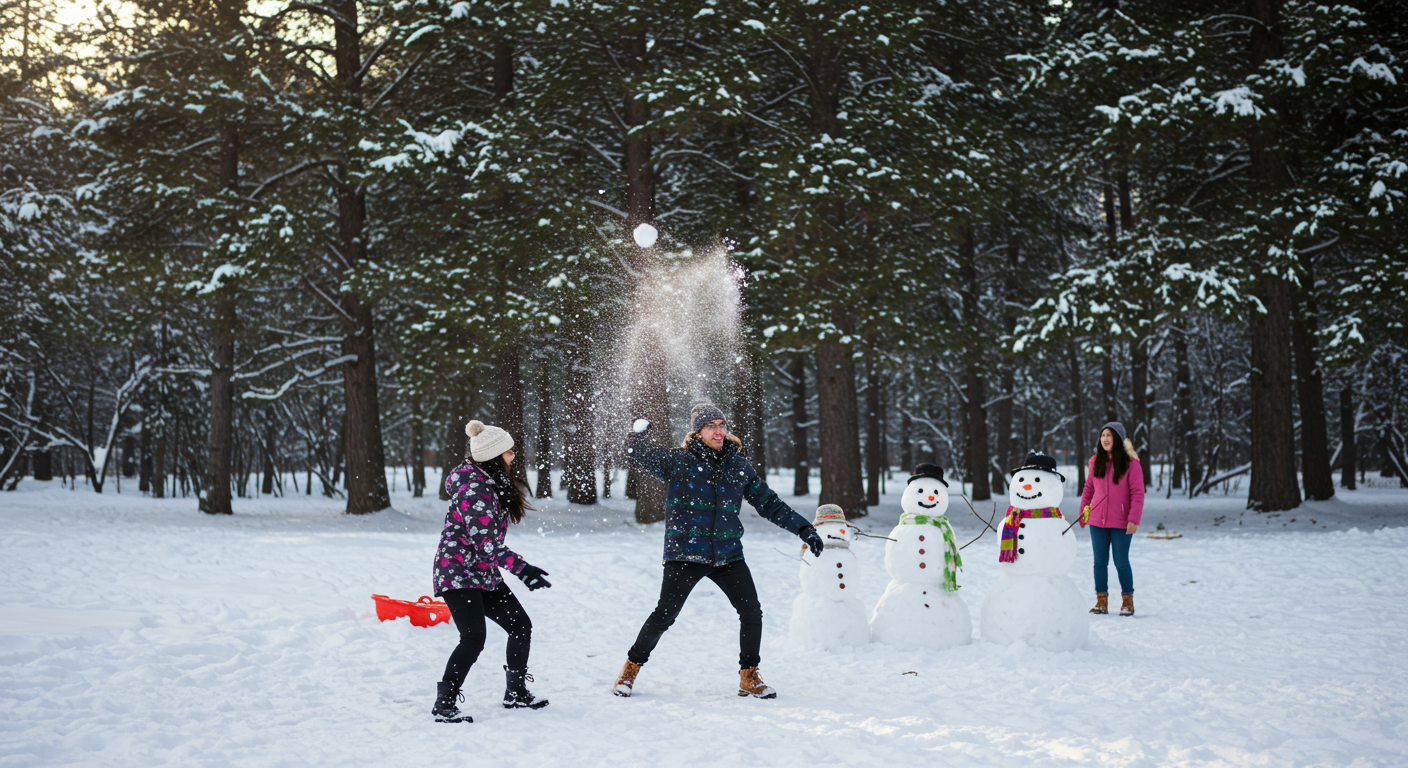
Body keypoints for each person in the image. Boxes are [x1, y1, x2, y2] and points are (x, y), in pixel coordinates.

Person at [611, 403, 825, 699]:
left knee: (751, 612)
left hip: (727, 554)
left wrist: (804, 529)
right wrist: (637, 436)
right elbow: (638, 454)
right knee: (664, 615)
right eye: (711, 425)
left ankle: (749, 676)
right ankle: (630, 670)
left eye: (722, 424)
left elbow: (770, 504)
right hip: (686, 553)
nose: (719, 430)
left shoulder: (738, 466)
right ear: (698, 432)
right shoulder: (679, 462)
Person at [430, 420, 553, 723]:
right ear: (495, 456)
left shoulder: (487, 482)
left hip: (481, 573)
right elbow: (486, 544)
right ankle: (444, 703)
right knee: (473, 638)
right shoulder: (474, 489)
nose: (513, 455)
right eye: (509, 451)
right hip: (457, 572)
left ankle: (516, 692)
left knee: (520, 625)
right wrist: (521, 569)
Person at [1078, 421, 1145, 617]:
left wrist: (1134, 519)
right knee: (1099, 562)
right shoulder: (1094, 461)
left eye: (1109, 435)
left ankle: (1127, 601)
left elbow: (1138, 494)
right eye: (1103, 435)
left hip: (1121, 522)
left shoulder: (1131, 464)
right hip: (1097, 521)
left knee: (1121, 561)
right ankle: (1101, 601)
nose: (1105, 439)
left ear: (1118, 438)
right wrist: (1084, 511)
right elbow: (1089, 489)